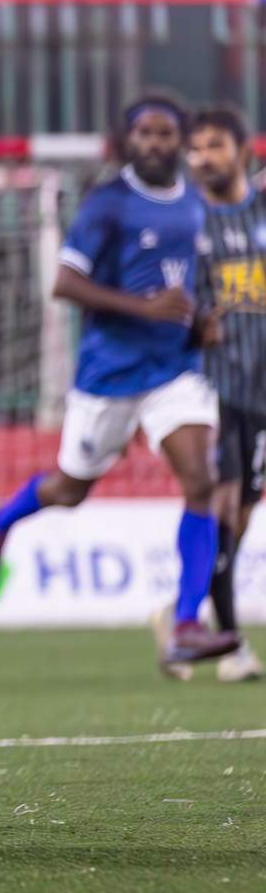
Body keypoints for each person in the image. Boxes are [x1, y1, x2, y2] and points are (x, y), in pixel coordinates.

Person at [0, 93, 237, 667]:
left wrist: (204, 321)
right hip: (110, 374)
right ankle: (1, 520)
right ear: (128, 141)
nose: (156, 144)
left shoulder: (195, 202)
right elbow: (64, 284)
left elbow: (192, 280)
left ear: (181, 142)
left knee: (202, 479)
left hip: (174, 370)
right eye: (145, 133)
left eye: (167, 134)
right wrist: (145, 308)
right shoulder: (107, 204)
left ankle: (187, 623)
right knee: (70, 490)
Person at [185, 105, 266, 682]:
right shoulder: (186, 223)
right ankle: (230, 644)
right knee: (223, 503)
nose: (201, 157)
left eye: (214, 145)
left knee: (241, 514)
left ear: (242, 149)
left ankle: (190, 610)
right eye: (195, 148)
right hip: (213, 387)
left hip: (261, 386)